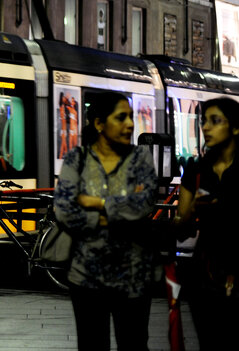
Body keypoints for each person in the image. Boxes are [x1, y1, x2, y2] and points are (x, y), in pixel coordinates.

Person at [54, 92, 158, 351]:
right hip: (87, 277)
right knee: (91, 345)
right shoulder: (76, 159)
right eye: (121, 117)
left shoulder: (140, 158)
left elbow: (144, 203)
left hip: (134, 277)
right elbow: (65, 209)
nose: (130, 124)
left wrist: (99, 204)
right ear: (99, 123)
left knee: (133, 345)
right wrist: (118, 212)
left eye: (131, 117)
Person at [175, 97, 239, 350]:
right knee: (209, 341)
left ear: (235, 127)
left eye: (215, 121)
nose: (206, 128)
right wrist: (193, 210)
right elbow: (182, 229)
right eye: (204, 122)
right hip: (206, 272)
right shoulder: (196, 169)